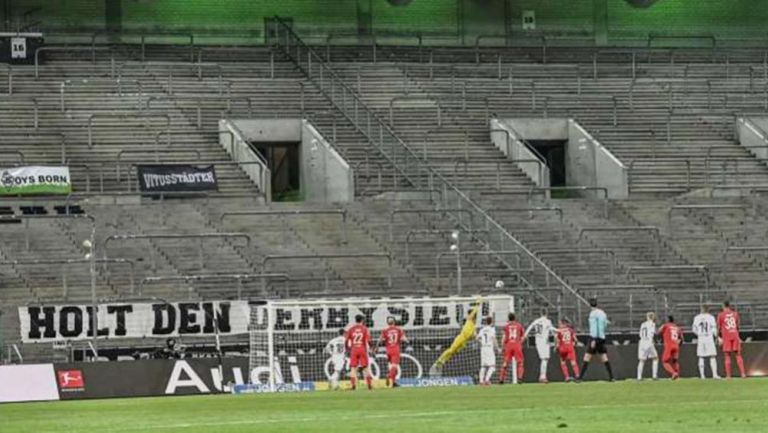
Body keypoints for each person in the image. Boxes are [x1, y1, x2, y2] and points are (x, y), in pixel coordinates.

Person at [430, 302, 481, 376]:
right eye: (474, 317)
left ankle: (442, 362)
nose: (475, 318)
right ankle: (439, 360)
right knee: (451, 349)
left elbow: (475, 336)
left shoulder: (473, 326)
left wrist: (480, 340)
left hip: (464, 342)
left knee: (453, 353)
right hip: (461, 337)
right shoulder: (469, 319)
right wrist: (477, 305)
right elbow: (473, 312)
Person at [578, 298, 614, 381]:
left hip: (594, 337)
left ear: (590, 305)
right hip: (602, 337)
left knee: (587, 357)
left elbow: (595, 327)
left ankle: (580, 378)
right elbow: (605, 324)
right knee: (604, 357)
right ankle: (611, 377)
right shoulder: (602, 313)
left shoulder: (593, 314)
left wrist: (594, 339)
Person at [524, 308, 555, 383]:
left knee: (544, 359)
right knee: (545, 359)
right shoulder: (548, 321)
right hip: (544, 341)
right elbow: (552, 330)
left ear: (540, 313)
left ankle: (542, 376)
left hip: (538, 341)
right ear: (546, 313)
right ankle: (542, 376)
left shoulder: (536, 321)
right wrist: (561, 331)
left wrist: (524, 336)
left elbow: (529, 328)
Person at [717, 301, 746, 378]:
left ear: (723, 306)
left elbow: (718, 327)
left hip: (726, 336)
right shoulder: (735, 314)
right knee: (738, 355)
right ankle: (743, 374)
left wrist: (718, 337)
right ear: (729, 306)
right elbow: (737, 326)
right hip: (735, 335)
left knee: (727, 355)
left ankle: (728, 376)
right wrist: (738, 335)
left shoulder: (721, 315)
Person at [345, 314, 373, 390]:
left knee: (353, 368)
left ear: (355, 320)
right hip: (362, 349)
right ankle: (369, 385)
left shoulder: (351, 329)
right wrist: (372, 348)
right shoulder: (365, 329)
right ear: (362, 320)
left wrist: (347, 348)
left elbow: (346, 340)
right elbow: (369, 340)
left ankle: (353, 385)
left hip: (354, 349)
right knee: (366, 367)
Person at [379, 316, 409, 387]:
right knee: (395, 366)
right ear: (394, 322)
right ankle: (388, 376)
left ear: (388, 323)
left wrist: (376, 347)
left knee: (391, 366)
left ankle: (393, 383)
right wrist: (408, 341)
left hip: (388, 350)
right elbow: (403, 338)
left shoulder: (384, 330)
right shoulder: (399, 329)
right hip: (395, 349)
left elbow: (380, 340)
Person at [692, 305, 720, 379]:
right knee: (712, 356)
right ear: (708, 310)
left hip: (701, 337)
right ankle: (714, 374)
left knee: (701, 356)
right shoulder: (711, 317)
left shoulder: (696, 317)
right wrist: (717, 337)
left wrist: (699, 334)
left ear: (701, 309)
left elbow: (694, 329)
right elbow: (714, 329)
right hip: (709, 337)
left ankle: (702, 375)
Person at [499, 313, 525, 384]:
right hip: (517, 345)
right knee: (520, 362)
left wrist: (502, 347)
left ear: (508, 318)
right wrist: (520, 343)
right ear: (515, 318)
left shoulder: (506, 326)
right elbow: (523, 337)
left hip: (508, 345)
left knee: (505, 363)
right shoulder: (519, 325)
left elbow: (503, 337)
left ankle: (501, 379)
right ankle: (520, 378)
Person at [476, 316, 500, 386]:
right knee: (492, 366)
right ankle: (487, 380)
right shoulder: (492, 329)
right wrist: (498, 348)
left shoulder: (482, 329)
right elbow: (494, 339)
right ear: (491, 322)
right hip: (489, 348)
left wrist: (482, 342)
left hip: (483, 348)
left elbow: (477, 338)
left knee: (483, 366)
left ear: (486, 322)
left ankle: (481, 381)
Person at [658, 316, 683, 380]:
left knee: (665, 361)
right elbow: (682, 339)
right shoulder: (677, 328)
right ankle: (677, 377)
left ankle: (674, 373)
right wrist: (678, 344)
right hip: (676, 345)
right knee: (675, 361)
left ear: (668, 320)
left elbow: (658, 332)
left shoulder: (666, 326)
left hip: (669, 345)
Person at [637, 312, 659, 381]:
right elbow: (652, 333)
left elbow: (640, 334)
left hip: (642, 342)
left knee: (642, 360)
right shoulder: (652, 324)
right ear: (652, 317)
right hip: (648, 342)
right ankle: (654, 376)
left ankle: (639, 377)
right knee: (655, 358)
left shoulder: (643, 324)